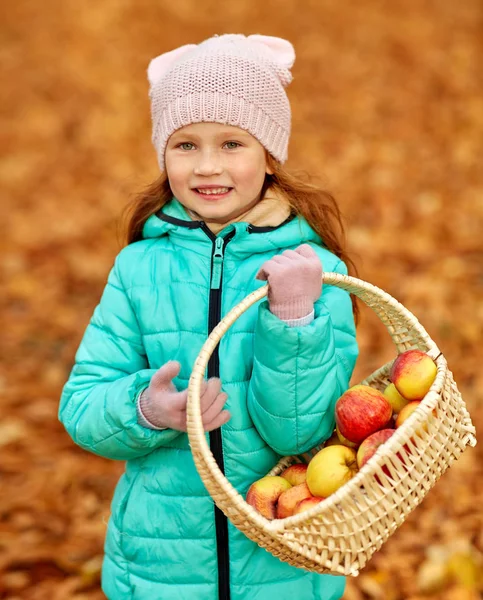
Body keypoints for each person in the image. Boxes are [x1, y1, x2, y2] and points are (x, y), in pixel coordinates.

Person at [59, 33, 359, 600]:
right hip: (158, 568)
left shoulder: (313, 270)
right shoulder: (139, 268)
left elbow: (303, 433)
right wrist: (147, 409)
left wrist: (293, 319)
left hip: (281, 562)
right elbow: (82, 405)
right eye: (185, 145)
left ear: (270, 155)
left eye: (231, 143)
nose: (207, 167)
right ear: (162, 155)